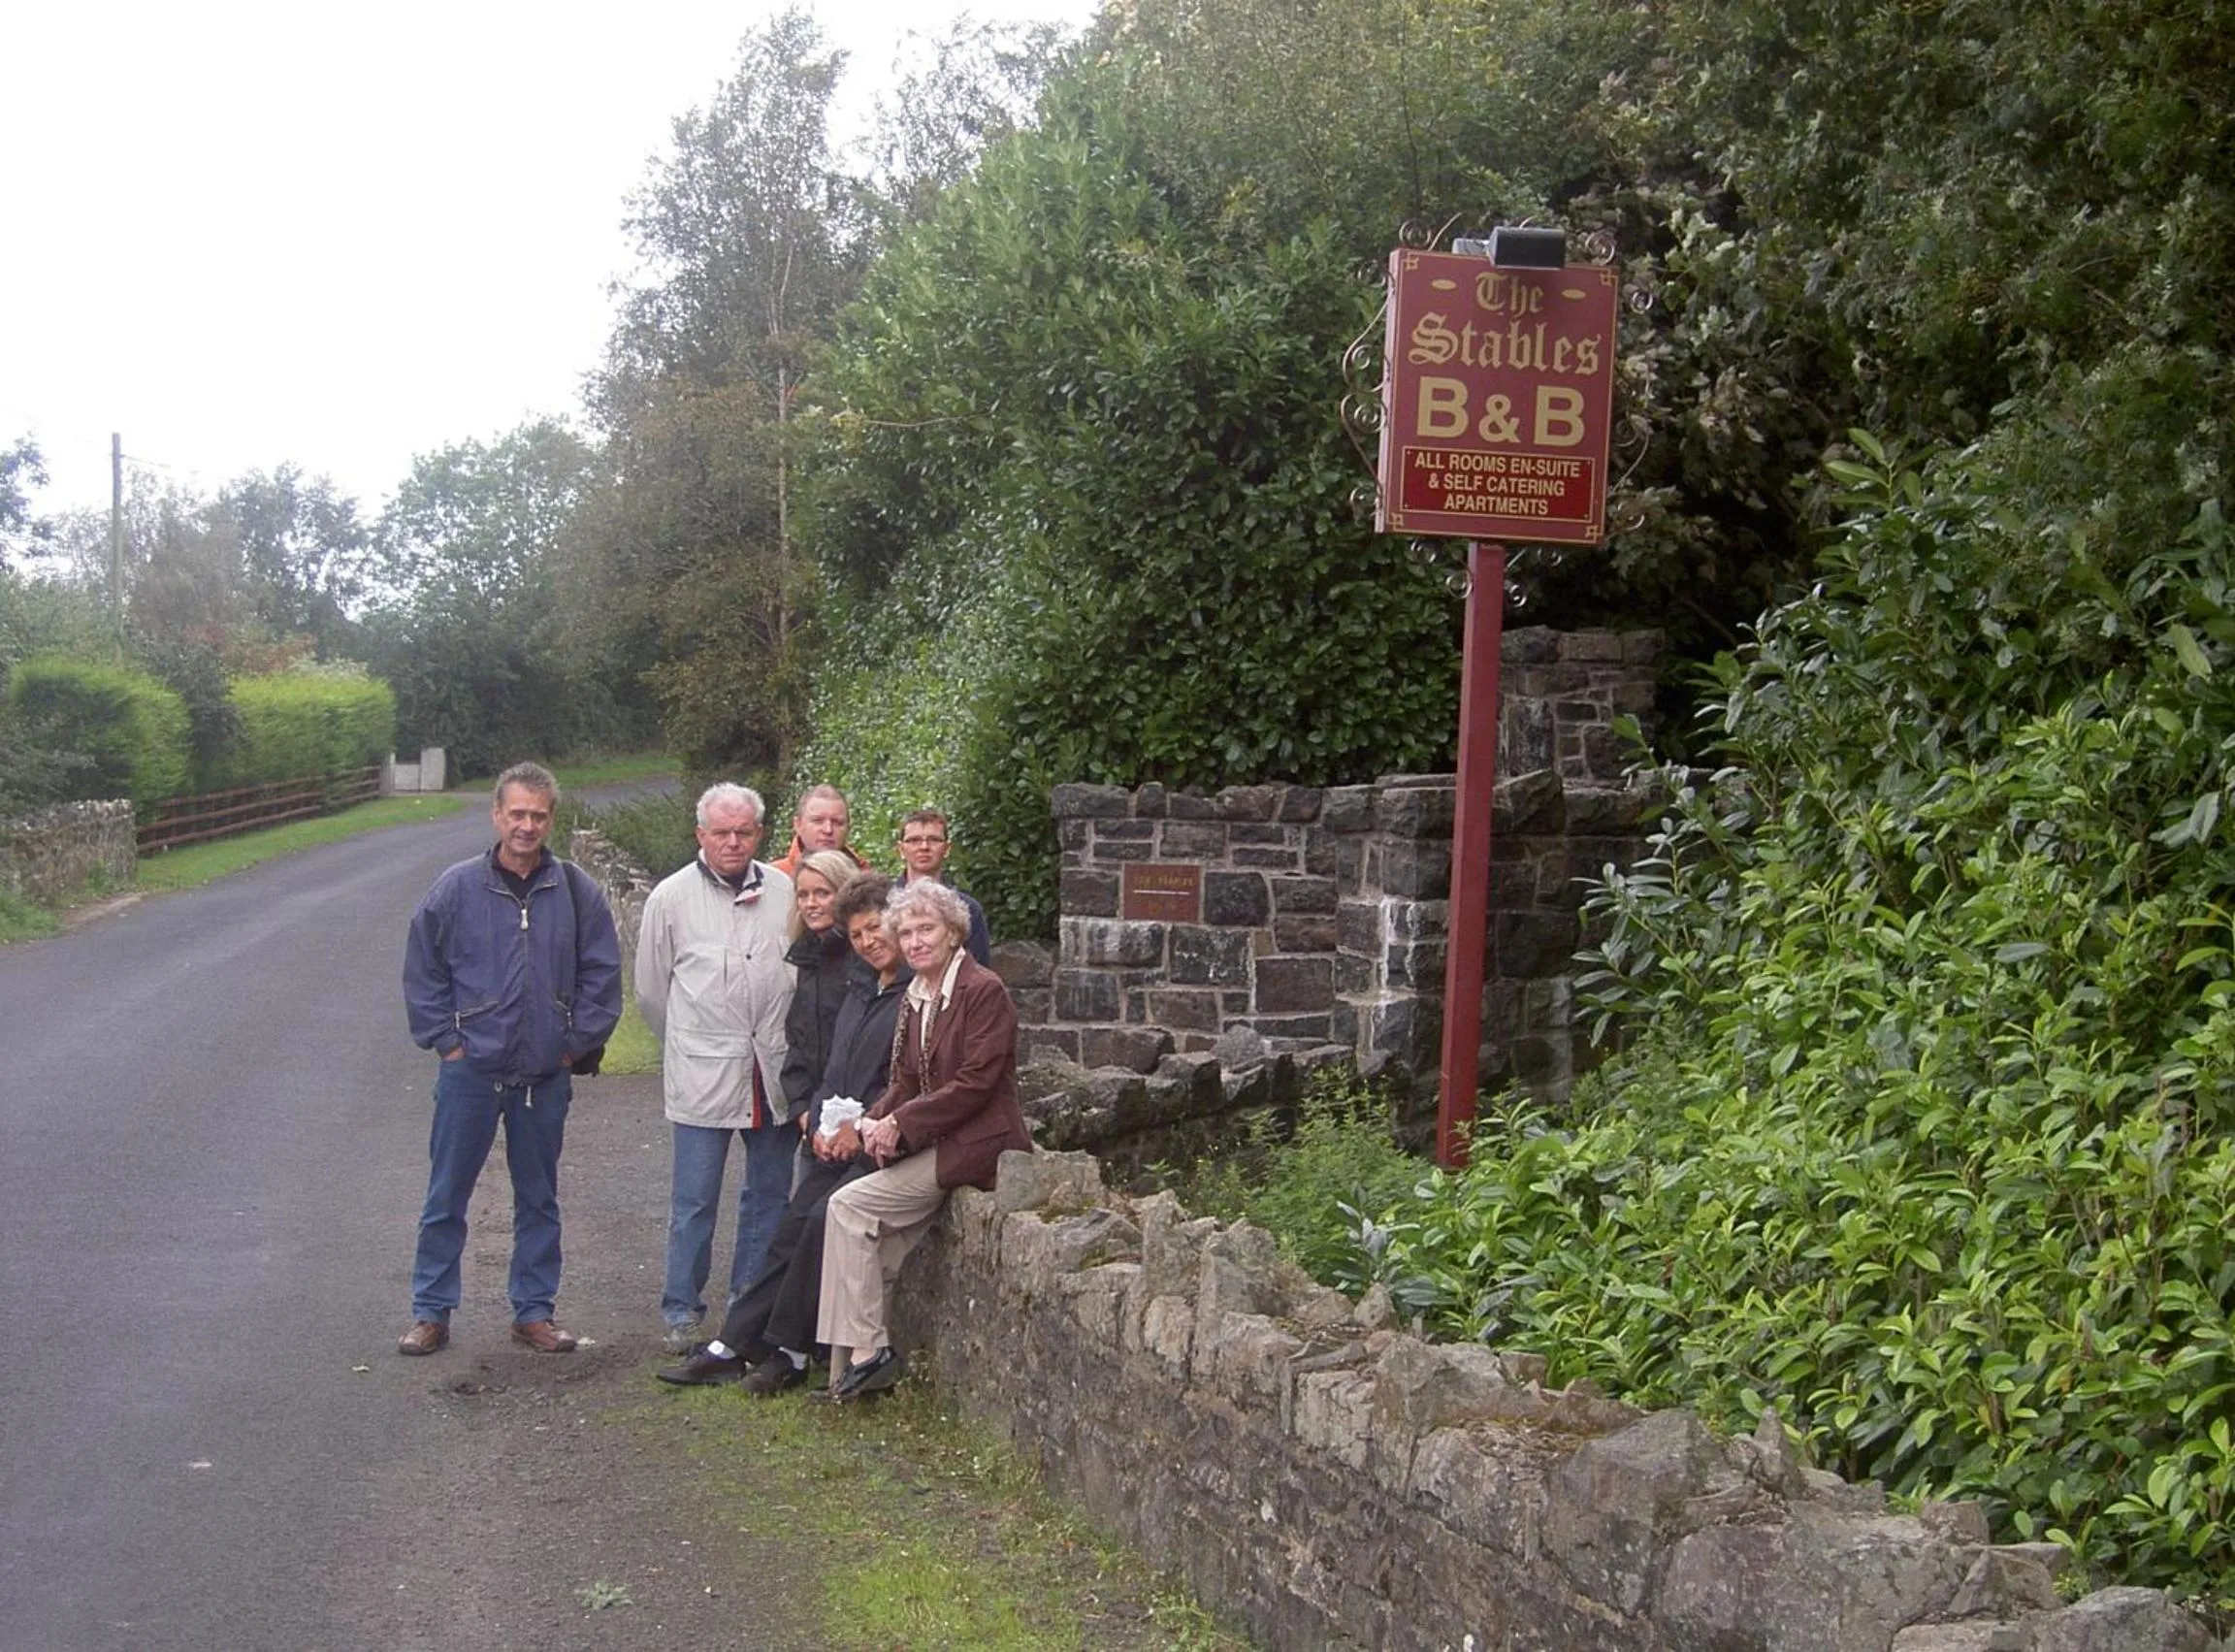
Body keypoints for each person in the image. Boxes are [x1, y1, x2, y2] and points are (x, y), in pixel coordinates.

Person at [399, 761, 622, 1356]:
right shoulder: (455, 888)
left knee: (539, 1196)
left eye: (538, 815)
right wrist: (447, 1042)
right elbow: (423, 972)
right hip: (470, 1069)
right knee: (447, 1194)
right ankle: (431, 1311)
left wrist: (573, 1044)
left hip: (543, 1074)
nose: (527, 826)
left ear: (551, 818)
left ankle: (534, 1311)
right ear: (497, 815)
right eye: (517, 813)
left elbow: (603, 973)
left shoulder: (574, 891)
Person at [657, 873, 908, 1391]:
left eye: (876, 928)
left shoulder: (912, 993)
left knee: (819, 1220)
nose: (867, 941)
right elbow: (834, 1064)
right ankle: (735, 1344)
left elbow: (905, 1079)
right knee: (792, 1224)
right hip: (841, 1134)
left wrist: (857, 1128)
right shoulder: (865, 985)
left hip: (885, 1144)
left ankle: (790, 1351)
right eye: (858, 934)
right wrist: (820, 1118)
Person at [816, 880, 1031, 1401]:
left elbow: (976, 1083)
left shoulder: (982, 990)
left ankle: (869, 1354)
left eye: (925, 929)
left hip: (980, 1142)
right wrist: (872, 1120)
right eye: (906, 932)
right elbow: (906, 1081)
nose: (914, 942)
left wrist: (902, 1125)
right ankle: (848, 1371)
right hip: (938, 1141)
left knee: (847, 1207)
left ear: (954, 932)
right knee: (872, 1244)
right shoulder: (917, 993)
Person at [635, 783, 797, 1353]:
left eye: (744, 832)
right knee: (695, 1199)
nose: (733, 842)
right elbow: (653, 995)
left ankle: (746, 1309)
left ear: (759, 834)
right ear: (700, 834)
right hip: (703, 1073)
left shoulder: (785, 891)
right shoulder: (670, 898)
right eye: (721, 832)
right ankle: (682, 1312)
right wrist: (690, 1045)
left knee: (769, 1196)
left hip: (771, 1073)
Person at [781, 850, 863, 1142]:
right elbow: (799, 1039)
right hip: (816, 1114)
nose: (811, 904)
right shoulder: (806, 956)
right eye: (803, 895)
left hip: (856, 1119)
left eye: (822, 893)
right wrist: (802, 1108)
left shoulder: (864, 961)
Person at [894, 806, 990, 965]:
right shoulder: (881, 902)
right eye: (914, 840)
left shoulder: (968, 909)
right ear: (901, 849)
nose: (924, 847)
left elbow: (979, 972)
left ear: (947, 849)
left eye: (934, 840)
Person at [771, 784, 870, 880]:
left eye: (837, 822)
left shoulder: (865, 879)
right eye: (817, 821)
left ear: (848, 828)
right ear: (797, 825)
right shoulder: (774, 878)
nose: (828, 830)